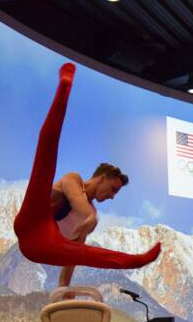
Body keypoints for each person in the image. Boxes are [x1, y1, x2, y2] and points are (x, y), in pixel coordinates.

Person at [13, 63, 161, 284]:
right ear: (102, 177)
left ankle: (135, 261)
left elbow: (74, 254)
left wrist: (63, 288)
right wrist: (90, 217)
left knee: (86, 254)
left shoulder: (91, 215)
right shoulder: (73, 180)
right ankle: (64, 88)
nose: (112, 196)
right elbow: (76, 199)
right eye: (113, 189)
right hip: (33, 220)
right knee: (45, 157)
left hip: (45, 244)